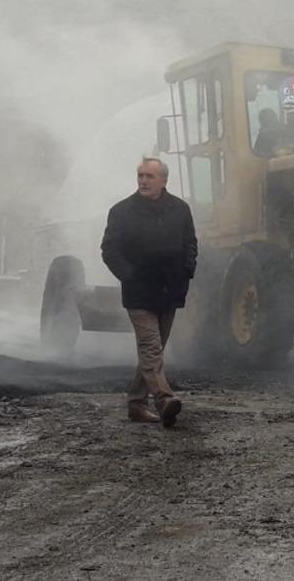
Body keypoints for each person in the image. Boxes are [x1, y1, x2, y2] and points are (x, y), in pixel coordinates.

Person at [101, 158, 197, 426]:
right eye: (140, 175)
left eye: (149, 176)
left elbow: (190, 242)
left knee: (154, 350)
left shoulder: (180, 209)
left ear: (164, 180)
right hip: (139, 292)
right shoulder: (122, 212)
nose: (143, 180)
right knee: (150, 346)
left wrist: (188, 270)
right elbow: (109, 250)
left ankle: (135, 403)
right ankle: (164, 399)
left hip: (170, 290)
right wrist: (129, 275)